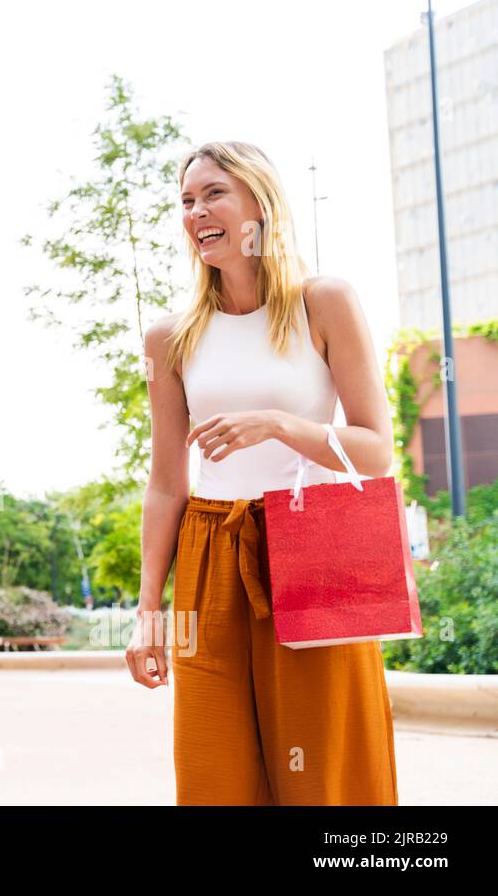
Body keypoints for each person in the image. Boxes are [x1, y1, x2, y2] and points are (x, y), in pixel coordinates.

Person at [128, 140, 399, 805]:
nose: (197, 211)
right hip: (209, 549)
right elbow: (167, 482)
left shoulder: (323, 302)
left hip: (314, 547)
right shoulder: (171, 337)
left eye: (214, 193)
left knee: (324, 778)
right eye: (187, 201)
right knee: (213, 771)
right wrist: (146, 608)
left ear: (259, 203)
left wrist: (281, 425)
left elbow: (377, 449)